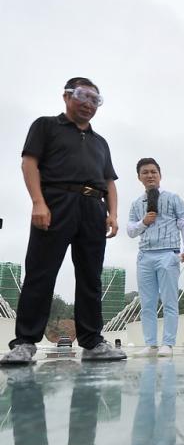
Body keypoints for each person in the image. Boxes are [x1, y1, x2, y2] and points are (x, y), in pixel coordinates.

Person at [2, 77, 126, 365]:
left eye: (95, 100)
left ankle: (93, 342)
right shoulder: (46, 126)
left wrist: (113, 213)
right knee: (40, 272)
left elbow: (109, 181)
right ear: (66, 96)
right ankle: (24, 343)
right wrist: (38, 202)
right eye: (82, 96)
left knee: (91, 277)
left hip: (93, 207)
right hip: (56, 203)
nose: (88, 104)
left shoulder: (100, 142)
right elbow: (29, 162)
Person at [127, 158, 184, 357]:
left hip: (168, 253)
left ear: (160, 175)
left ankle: (168, 343)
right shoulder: (136, 204)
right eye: (145, 172)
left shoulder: (173, 198)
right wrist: (143, 223)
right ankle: (151, 344)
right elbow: (130, 230)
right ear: (139, 177)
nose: (150, 175)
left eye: (153, 172)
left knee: (169, 301)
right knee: (147, 302)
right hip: (145, 255)